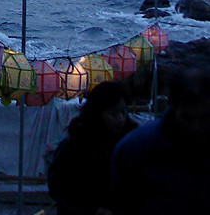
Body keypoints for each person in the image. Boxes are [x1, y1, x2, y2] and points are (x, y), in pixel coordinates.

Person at [111, 67, 210, 214]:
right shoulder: (136, 148)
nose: (196, 126)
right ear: (174, 107)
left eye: (204, 118)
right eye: (187, 118)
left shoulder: (134, 145)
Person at [47, 80, 137, 215]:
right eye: (113, 114)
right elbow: (60, 187)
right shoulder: (76, 143)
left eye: (123, 112)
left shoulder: (133, 141)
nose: (120, 119)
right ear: (98, 114)